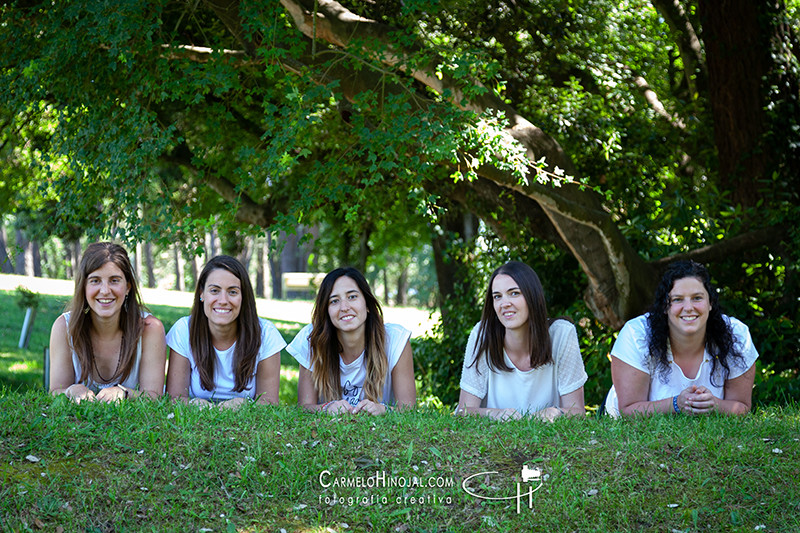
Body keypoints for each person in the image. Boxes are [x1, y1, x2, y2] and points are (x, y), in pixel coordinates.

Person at [606, 260, 759, 417]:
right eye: (678, 299)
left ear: (710, 303)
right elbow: (628, 410)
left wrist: (714, 405)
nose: (688, 308)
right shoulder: (637, 334)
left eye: (697, 298)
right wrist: (676, 404)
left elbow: (742, 407)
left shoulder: (735, 335)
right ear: (665, 306)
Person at [457, 261, 587, 421]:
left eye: (514, 293)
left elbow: (578, 412)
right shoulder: (482, 335)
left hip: (548, 442)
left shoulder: (561, 334)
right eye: (497, 296)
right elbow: (463, 411)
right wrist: (495, 414)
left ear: (533, 296)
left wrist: (554, 413)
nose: (505, 304)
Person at [287, 267, 416, 415]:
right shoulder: (311, 339)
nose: (344, 307)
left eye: (352, 297)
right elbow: (304, 407)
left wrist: (382, 409)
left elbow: (409, 410)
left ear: (367, 304)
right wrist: (326, 408)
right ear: (326, 311)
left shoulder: (395, 340)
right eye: (334, 301)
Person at [49, 242, 166, 402]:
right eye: (95, 280)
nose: (105, 290)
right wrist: (71, 391)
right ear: (83, 287)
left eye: (114, 280)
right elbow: (55, 391)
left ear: (128, 287)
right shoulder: (64, 327)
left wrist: (124, 393)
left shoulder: (150, 329)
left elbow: (154, 396)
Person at [165, 255, 286, 407]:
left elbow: (269, 403)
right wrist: (196, 404)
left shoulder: (266, 334)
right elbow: (174, 398)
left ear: (244, 296)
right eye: (214, 290)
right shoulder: (183, 330)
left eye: (233, 292)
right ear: (202, 294)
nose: (223, 300)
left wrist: (242, 405)